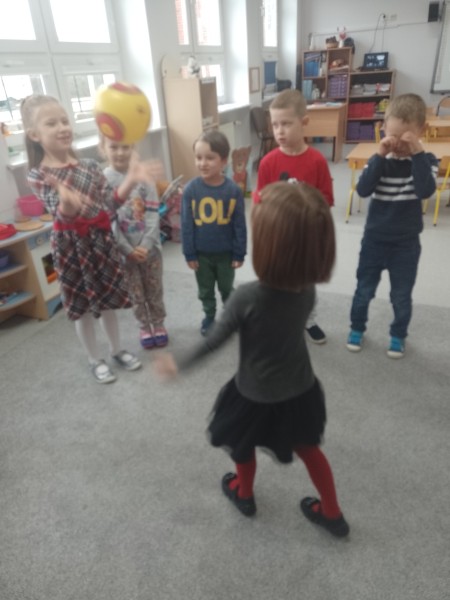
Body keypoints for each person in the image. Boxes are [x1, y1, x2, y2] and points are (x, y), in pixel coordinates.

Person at [156, 181, 349, 538]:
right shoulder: (307, 289)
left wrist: (177, 363)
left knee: (242, 446)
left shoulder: (247, 297)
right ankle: (333, 513)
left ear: (269, 246)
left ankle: (243, 494)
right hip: (300, 389)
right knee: (310, 449)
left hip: (253, 394)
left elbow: (213, 342)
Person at [21, 94, 160, 383]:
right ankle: (94, 359)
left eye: (64, 121)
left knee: (108, 301)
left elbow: (109, 204)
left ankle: (117, 350)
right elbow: (64, 215)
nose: (62, 127)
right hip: (72, 247)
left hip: (101, 241)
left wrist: (132, 179)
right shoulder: (38, 174)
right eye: (51, 123)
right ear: (34, 135)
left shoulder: (90, 166)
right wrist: (66, 198)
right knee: (81, 308)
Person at [346, 93, 438, 358]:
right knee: (364, 290)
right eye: (392, 135)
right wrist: (379, 155)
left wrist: (417, 152)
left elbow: (424, 190)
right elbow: (363, 190)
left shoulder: (427, 161)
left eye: (406, 138)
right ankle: (356, 328)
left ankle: (398, 335)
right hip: (374, 240)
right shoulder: (379, 160)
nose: (397, 144)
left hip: (405, 244)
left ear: (421, 131)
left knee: (401, 295)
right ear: (383, 127)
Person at [254, 89, 334, 345]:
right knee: (275, 281)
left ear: (304, 122)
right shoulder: (268, 162)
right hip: (277, 237)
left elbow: (326, 200)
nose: (280, 131)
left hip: (306, 238)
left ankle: (308, 320)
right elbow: (259, 200)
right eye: (275, 124)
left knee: (306, 282)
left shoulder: (317, 161)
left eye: (286, 124)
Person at [101, 136, 168, 350]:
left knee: (154, 289)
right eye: (114, 147)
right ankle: (144, 326)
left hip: (151, 250)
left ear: (133, 147)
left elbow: (153, 212)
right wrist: (127, 249)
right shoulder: (103, 180)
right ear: (103, 148)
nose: (120, 152)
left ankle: (158, 323)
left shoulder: (143, 176)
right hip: (125, 254)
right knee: (135, 294)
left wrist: (146, 244)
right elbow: (109, 219)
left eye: (125, 146)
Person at [181, 130, 247, 336]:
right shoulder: (191, 190)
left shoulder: (233, 190)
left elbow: (239, 225)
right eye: (198, 157)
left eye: (210, 158)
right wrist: (189, 253)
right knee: (205, 290)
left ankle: (231, 316)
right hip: (201, 255)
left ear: (224, 161)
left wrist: (239, 253)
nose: (203, 163)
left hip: (226, 254)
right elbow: (186, 225)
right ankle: (209, 316)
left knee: (227, 289)